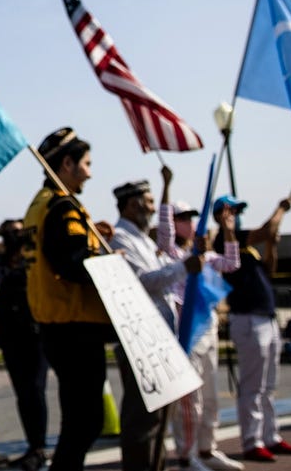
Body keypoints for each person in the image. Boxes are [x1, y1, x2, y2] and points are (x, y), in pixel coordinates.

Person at [25, 127, 116, 471]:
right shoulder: (64, 205)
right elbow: (72, 261)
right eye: (87, 163)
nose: (90, 172)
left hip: (55, 325)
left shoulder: (39, 203)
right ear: (67, 163)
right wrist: (110, 263)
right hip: (75, 325)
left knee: (77, 420)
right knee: (85, 421)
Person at [109, 177, 203, 471]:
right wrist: (182, 268)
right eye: (149, 201)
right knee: (142, 419)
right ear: (133, 203)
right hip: (141, 340)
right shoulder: (120, 238)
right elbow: (142, 282)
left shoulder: (143, 239)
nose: (152, 207)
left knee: (160, 418)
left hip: (160, 338)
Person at [158, 172, 242, 471]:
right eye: (183, 217)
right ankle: (186, 455)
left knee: (211, 397)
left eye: (191, 217)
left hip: (209, 329)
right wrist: (167, 185)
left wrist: (228, 228)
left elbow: (232, 263)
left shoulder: (203, 254)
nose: (189, 222)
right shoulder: (172, 253)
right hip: (186, 330)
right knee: (189, 401)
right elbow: (165, 231)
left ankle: (207, 450)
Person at [215, 195, 291, 463]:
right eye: (232, 211)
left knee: (269, 384)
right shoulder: (225, 240)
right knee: (253, 384)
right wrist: (281, 209)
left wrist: (272, 247)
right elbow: (267, 229)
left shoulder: (247, 246)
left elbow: (269, 271)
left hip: (267, 315)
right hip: (247, 317)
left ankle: (270, 435)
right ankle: (252, 440)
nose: (237, 215)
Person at [0, 220, 48, 471]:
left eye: (18, 231)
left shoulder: (35, 261)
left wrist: (26, 233)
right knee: (24, 393)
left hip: (35, 332)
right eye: (11, 232)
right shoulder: (1, 264)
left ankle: (39, 447)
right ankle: (33, 445)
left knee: (36, 390)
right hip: (11, 335)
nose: (15, 236)